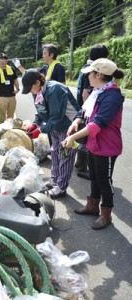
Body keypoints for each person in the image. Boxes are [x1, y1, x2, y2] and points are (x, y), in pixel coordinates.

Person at [62, 58, 124, 230]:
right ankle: (92, 206)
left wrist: (73, 138)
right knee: (95, 176)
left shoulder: (112, 95)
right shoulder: (98, 91)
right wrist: (76, 121)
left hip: (107, 146)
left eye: (90, 73)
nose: (88, 76)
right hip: (94, 143)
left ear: (98, 74)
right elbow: (84, 110)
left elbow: (98, 123)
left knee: (105, 180)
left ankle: (106, 214)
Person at [21, 69, 80, 199]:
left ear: (37, 82)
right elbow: (40, 110)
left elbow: (57, 117)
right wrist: (35, 124)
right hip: (54, 126)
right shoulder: (37, 91)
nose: (30, 92)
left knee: (65, 156)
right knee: (55, 152)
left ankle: (61, 187)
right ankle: (54, 179)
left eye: (30, 88)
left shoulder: (55, 89)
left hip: (67, 126)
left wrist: (40, 130)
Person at [75, 44, 109, 180]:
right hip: (87, 109)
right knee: (87, 139)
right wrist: (88, 111)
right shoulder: (94, 70)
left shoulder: (85, 66)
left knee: (82, 137)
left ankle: (79, 163)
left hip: (82, 107)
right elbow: (85, 93)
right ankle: (84, 168)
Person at [0, 53, 20, 123]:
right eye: (0, 60)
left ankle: (10, 130)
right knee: (2, 116)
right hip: (2, 97)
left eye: (4, 60)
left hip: (12, 96)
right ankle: (3, 131)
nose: (2, 61)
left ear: (6, 61)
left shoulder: (11, 69)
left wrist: (17, 89)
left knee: (11, 115)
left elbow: (15, 80)